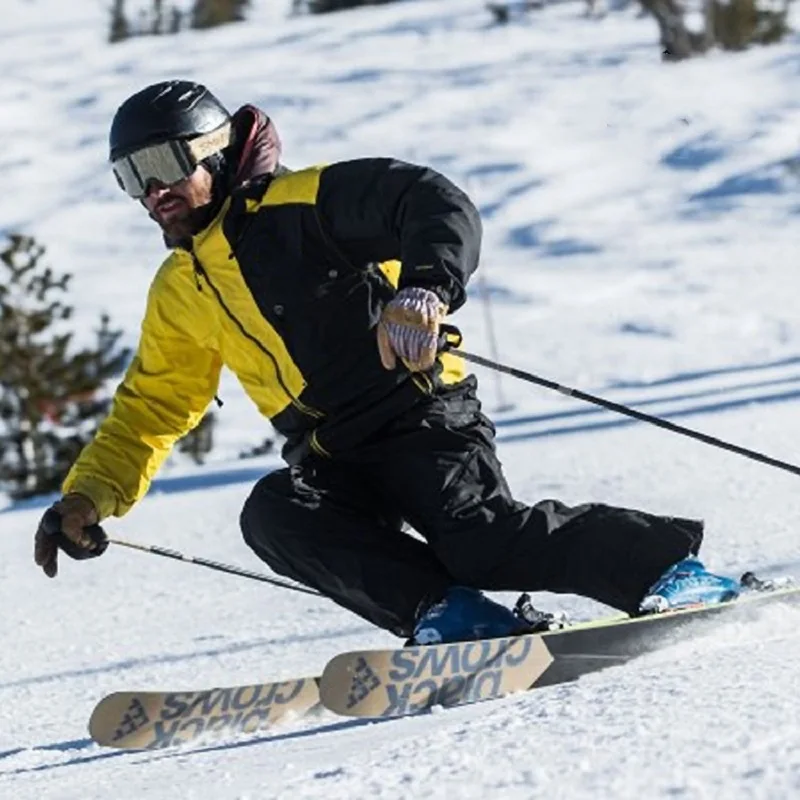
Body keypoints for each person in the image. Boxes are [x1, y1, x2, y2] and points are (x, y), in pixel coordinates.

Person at [33, 80, 740, 644]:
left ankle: (667, 568)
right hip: (333, 453)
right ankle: (453, 617)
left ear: (212, 154)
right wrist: (88, 496)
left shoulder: (302, 204)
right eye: (130, 176)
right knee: (276, 516)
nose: (150, 192)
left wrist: (426, 288)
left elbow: (429, 200)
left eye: (161, 165)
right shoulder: (180, 289)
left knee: (485, 543)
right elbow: (152, 408)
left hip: (418, 412)